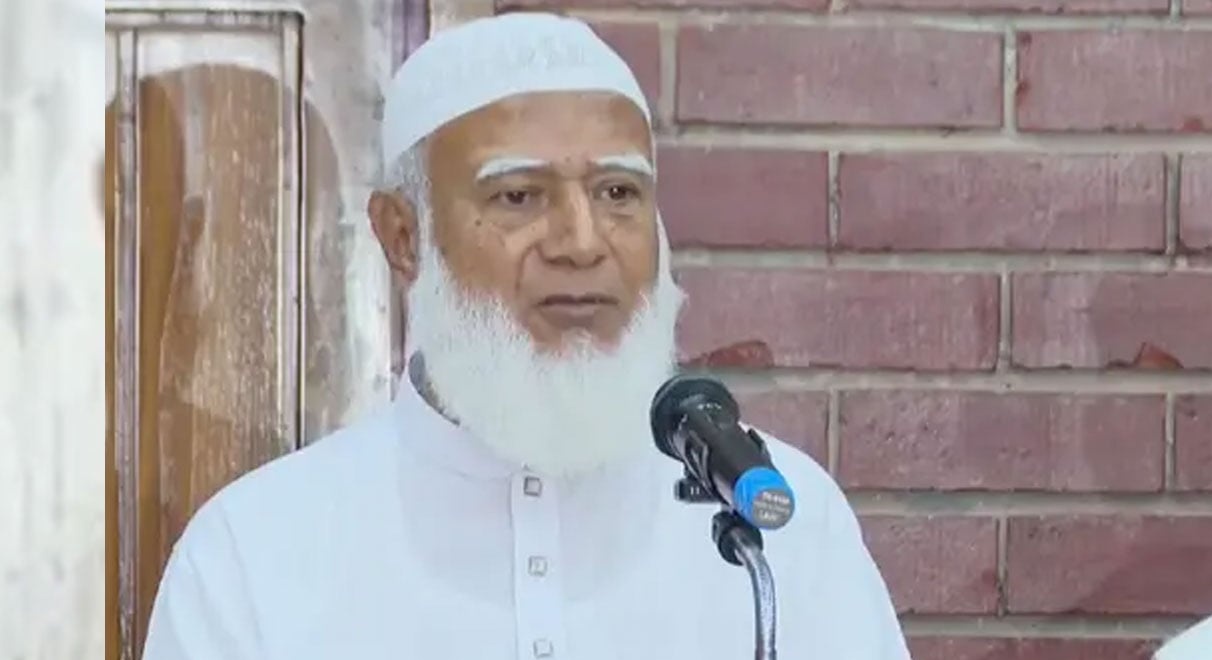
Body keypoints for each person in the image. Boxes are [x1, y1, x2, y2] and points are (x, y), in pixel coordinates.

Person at [141, 12, 911, 660]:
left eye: (617, 192)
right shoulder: (253, 556)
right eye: (518, 196)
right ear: (404, 236)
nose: (581, 242)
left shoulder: (779, 526)